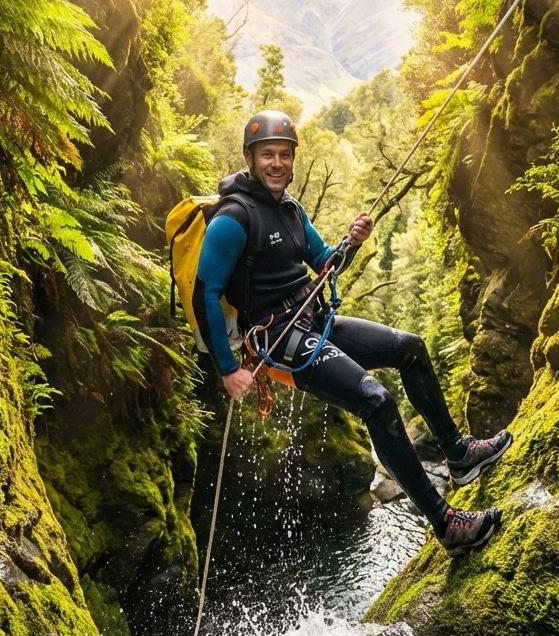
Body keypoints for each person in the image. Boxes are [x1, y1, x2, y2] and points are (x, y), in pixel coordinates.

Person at [193, 110, 512, 556]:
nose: (277, 163)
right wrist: (228, 369)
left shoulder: (290, 210)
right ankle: (446, 523)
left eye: (285, 155)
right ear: (250, 158)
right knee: (375, 401)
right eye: (268, 154)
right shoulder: (234, 219)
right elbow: (204, 294)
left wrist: (353, 241)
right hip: (277, 338)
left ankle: (458, 454)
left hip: (313, 319)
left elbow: (326, 261)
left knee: (410, 348)